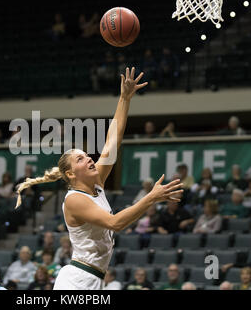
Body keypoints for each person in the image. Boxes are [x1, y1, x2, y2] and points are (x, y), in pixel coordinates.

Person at [15, 67, 183, 290]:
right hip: (78, 280)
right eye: (81, 159)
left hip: (92, 278)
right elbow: (116, 223)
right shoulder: (74, 199)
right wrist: (151, 198)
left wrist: (124, 98)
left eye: (87, 155)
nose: (90, 159)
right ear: (71, 174)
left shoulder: (96, 185)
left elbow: (113, 140)